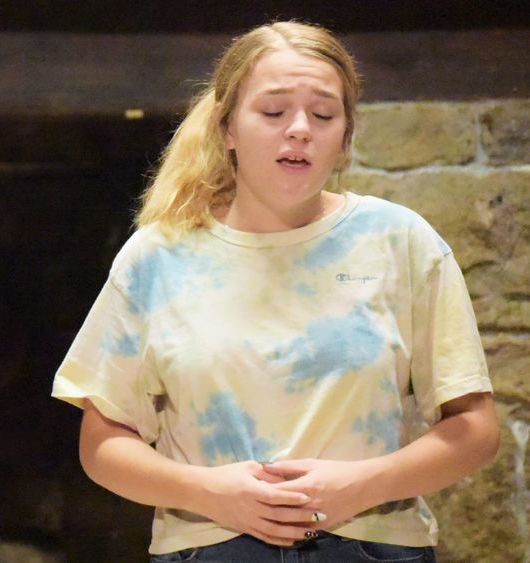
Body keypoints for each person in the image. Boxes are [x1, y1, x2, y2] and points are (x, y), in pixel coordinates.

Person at [51, 20, 499, 562]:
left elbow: (474, 430)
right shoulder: (158, 257)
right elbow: (101, 445)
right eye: (273, 111)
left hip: (372, 546)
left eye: (324, 114)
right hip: (211, 548)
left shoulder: (400, 241)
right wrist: (212, 493)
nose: (300, 129)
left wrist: (363, 484)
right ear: (227, 129)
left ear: (345, 135)